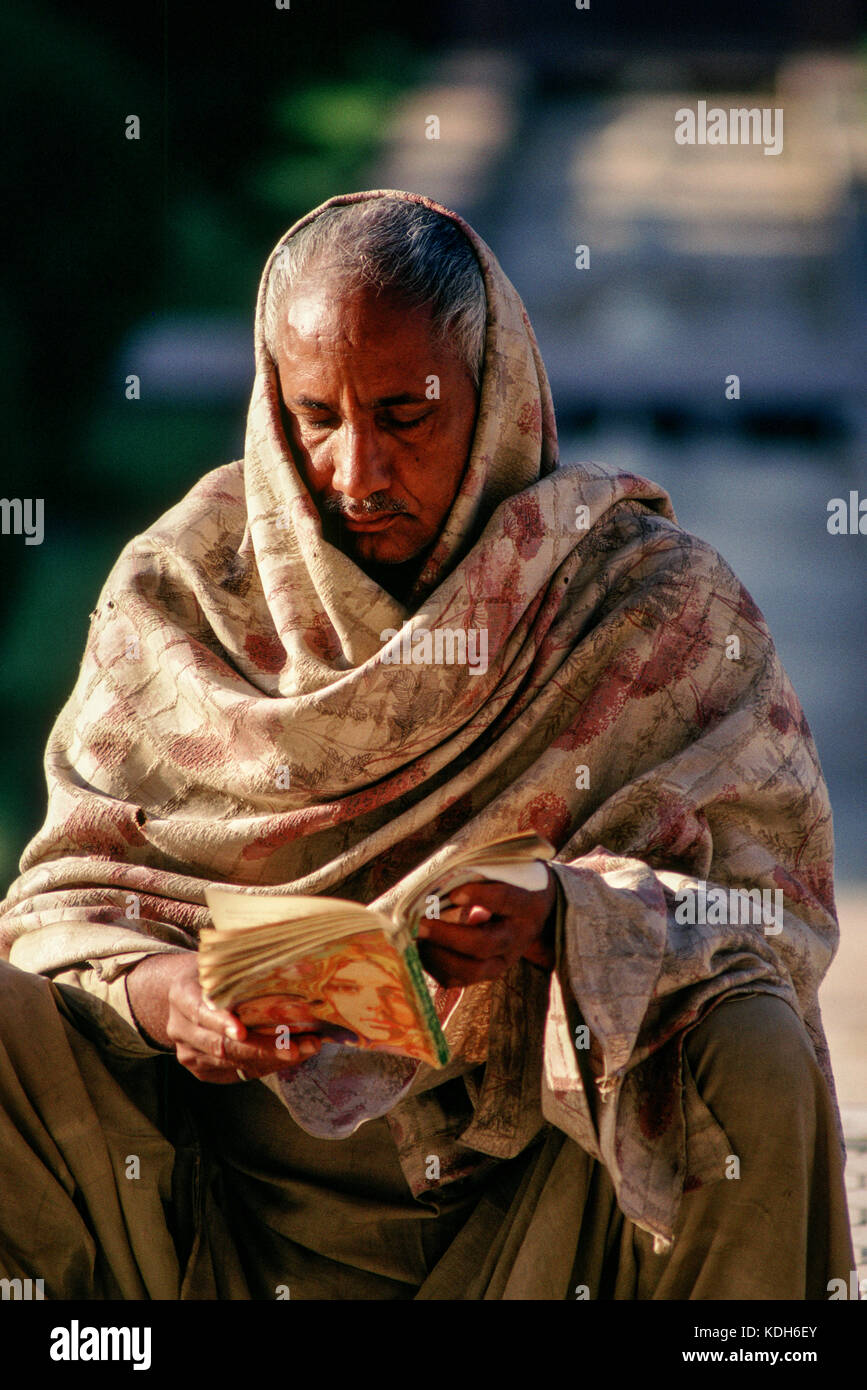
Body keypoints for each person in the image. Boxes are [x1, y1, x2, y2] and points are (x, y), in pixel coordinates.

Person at [0, 190, 854, 1300]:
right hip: (212, 1224)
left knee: (747, 1043)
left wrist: (565, 916)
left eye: (405, 416)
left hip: (548, 1221)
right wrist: (171, 995)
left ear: (492, 395)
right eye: (316, 416)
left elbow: (773, 921)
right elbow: (63, 906)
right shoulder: (183, 596)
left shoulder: (650, 608)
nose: (356, 474)